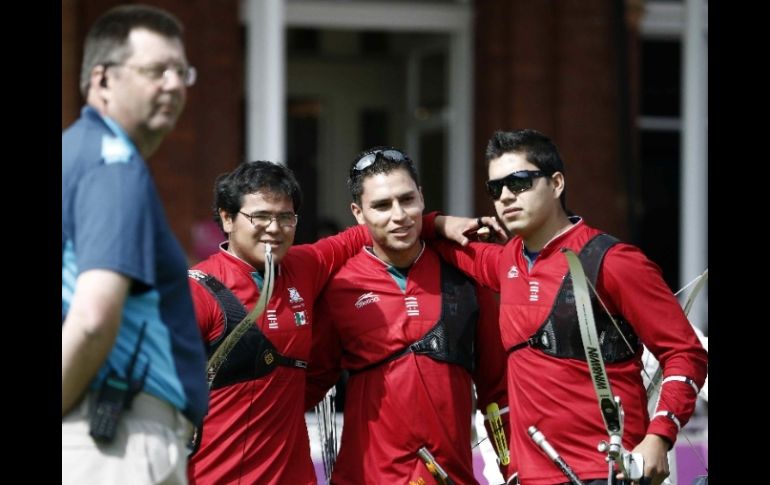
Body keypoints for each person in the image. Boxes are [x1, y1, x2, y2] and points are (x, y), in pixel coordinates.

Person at [430, 129, 708, 485]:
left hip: (607, 474)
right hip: (530, 479)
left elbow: (686, 353)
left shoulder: (613, 262)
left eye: (519, 183)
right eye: (494, 188)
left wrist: (659, 435)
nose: (505, 197)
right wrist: (440, 222)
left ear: (557, 182)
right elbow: (416, 237)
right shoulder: (506, 263)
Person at [62, 5, 208, 485]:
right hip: (115, 438)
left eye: (180, 70)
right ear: (102, 80)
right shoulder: (113, 164)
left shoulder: (73, 155)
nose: (174, 84)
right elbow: (92, 318)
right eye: (155, 70)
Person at [305, 147, 512, 484]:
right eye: (382, 206)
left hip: (453, 476)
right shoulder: (339, 285)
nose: (398, 215)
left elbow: (498, 391)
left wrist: (513, 470)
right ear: (358, 213)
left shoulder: (464, 273)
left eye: (407, 200)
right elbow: (305, 387)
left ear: (422, 198)